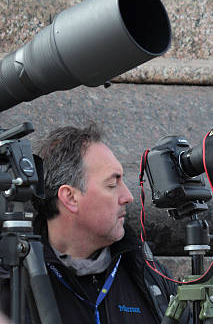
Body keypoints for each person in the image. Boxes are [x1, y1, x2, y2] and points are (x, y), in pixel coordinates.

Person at [1, 122, 189, 324]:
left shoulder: (146, 272)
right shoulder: (12, 280)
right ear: (70, 198)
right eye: (112, 184)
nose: (128, 196)